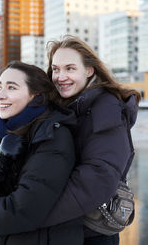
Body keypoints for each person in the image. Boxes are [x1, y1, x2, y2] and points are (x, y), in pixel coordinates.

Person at [0, 61, 84, 245]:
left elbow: (26, 209)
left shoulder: (53, 134)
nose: (0, 96)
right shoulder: (6, 131)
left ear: (36, 96)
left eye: (11, 87)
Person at [42, 35, 140, 245]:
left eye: (70, 68)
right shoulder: (67, 107)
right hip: (68, 229)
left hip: (91, 234)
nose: (60, 76)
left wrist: (33, 214)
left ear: (89, 70)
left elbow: (97, 179)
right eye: (56, 69)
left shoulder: (106, 108)